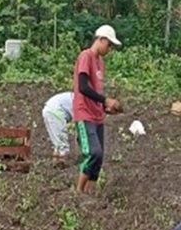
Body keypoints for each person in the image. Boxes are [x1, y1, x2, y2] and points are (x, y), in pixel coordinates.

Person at [73, 25, 123, 194]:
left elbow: (96, 91)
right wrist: (106, 100)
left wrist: (105, 106)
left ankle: (90, 194)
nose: (109, 49)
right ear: (100, 39)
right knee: (93, 153)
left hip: (97, 115)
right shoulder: (86, 56)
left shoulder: (100, 63)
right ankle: (78, 191)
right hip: (84, 113)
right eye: (108, 45)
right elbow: (83, 87)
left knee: (99, 157)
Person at [42, 91, 74, 164]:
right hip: (56, 111)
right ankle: (62, 159)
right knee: (61, 135)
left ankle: (56, 158)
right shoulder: (80, 101)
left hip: (47, 109)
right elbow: (79, 120)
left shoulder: (72, 96)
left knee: (56, 137)